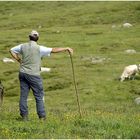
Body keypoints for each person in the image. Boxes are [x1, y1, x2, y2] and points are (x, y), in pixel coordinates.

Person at [10, 30, 73, 121]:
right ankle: (42, 117)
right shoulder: (40, 48)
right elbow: (53, 50)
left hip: (23, 73)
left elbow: (11, 50)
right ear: (37, 38)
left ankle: (24, 116)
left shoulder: (22, 46)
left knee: (23, 96)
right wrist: (66, 48)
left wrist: (19, 60)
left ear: (29, 37)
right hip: (34, 75)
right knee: (39, 96)